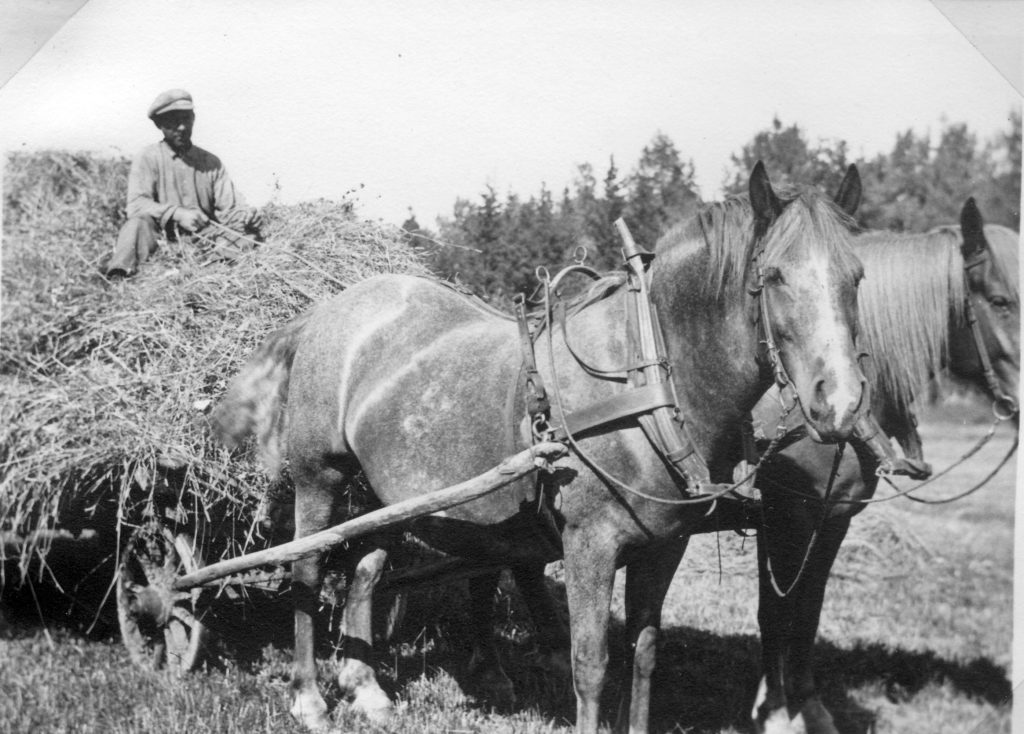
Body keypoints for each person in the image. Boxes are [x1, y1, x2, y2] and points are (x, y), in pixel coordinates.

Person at [103, 89, 263, 278]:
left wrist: (247, 215)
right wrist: (177, 214)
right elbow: (136, 205)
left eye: (186, 119)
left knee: (247, 237)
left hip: (205, 239)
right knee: (136, 225)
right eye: (173, 121)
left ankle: (212, 270)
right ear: (159, 124)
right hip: (161, 240)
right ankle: (121, 276)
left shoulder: (211, 163)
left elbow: (231, 207)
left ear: (193, 119)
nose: (181, 127)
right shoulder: (148, 157)